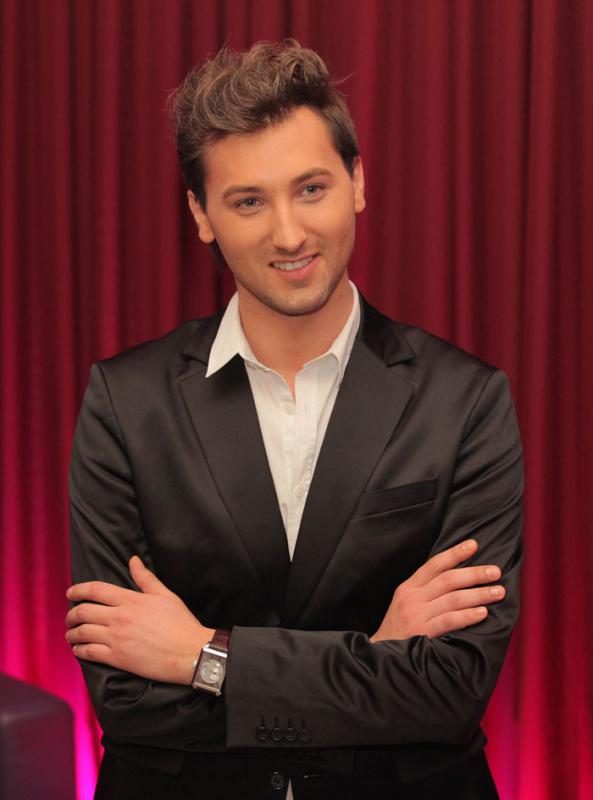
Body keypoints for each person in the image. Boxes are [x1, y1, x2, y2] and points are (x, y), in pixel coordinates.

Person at [66, 40, 523, 800]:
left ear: (357, 182)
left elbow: (450, 691)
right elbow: (126, 699)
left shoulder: (466, 399)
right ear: (201, 215)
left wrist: (201, 656)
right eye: (248, 201)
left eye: (310, 188)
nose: (287, 234)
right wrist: (378, 655)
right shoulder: (124, 400)